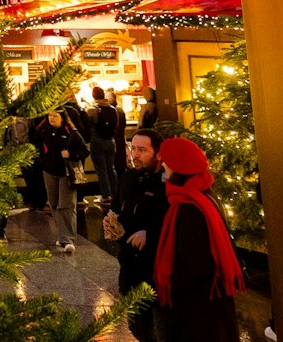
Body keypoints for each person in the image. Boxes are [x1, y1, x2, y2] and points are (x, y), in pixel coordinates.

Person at [153, 135, 243, 342]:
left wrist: (170, 284)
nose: (163, 167)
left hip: (199, 311)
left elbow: (194, 264)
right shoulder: (202, 195)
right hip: (212, 306)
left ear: (178, 166)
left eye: (165, 162)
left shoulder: (190, 207)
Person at [103, 128, 169, 341]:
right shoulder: (128, 177)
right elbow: (116, 207)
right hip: (130, 266)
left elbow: (178, 221)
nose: (135, 154)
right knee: (137, 325)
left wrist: (151, 234)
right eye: (133, 148)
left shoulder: (167, 183)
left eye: (142, 150)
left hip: (156, 269)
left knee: (160, 329)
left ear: (158, 154)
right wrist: (111, 220)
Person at [32, 107, 89, 253]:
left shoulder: (71, 133)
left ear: (62, 117)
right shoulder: (44, 132)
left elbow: (85, 151)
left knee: (66, 205)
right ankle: (61, 235)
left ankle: (67, 239)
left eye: (55, 116)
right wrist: (41, 161)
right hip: (49, 172)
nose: (51, 118)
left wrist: (72, 154)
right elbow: (37, 147)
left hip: (66, 173)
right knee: (54, 203)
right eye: (50, 115)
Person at [89, 85, 121, 203]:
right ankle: (115, 193)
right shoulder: (113, 109)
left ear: (93, 96)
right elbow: (116, 125)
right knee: (111, 168)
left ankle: (106, 195)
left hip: (97, 141)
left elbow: (88, 124)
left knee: (101, 169)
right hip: (111, 141)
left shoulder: (92, 109)